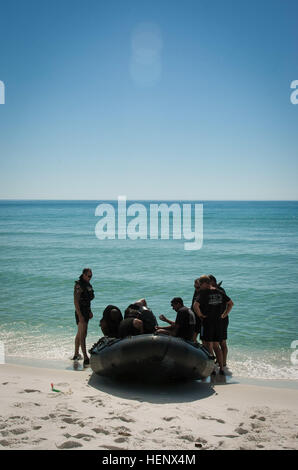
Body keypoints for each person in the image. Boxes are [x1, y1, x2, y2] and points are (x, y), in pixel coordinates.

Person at [193, 275, 233, 375]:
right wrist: (224, 314)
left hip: (207, 322)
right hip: (219, 323)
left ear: (205, 284)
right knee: (216, 346)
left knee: (208, 346)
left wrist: (200, 315)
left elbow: (195, 305)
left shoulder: (203, 293)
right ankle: (222, 369)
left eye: (200, 285)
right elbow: (231, 303)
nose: (200, 287)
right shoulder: (219, 291)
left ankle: (212, 369)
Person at [73, 268, 94, 366]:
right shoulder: (78, 285)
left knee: (79, 333)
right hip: (80, 312)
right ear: (84, 275)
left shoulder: (88, 285)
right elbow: (76, 302)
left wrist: (89, 311)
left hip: (86, 311)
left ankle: (76, 354)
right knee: (83, 334)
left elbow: (88, 300)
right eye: (89, 276)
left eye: (91, 276)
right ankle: (85, 357)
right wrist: (80, 315)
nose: (90, 278)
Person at [208, 274, 229, 367]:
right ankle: (220, 361)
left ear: (213, 282)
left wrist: (224, 315)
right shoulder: (215, 290)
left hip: (222, 319)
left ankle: (223, 362)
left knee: (222, 342)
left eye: (208, 282)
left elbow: (229, 304)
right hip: (218, 319)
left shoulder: (220, 291)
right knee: (216, 342)